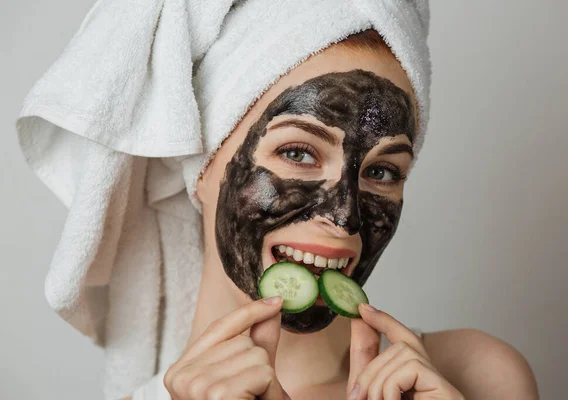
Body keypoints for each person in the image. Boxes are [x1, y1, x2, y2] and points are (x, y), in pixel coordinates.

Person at [16, 1, 539, 399]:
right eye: (298, 152)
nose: (345, 217)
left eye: (382, 171)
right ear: (202, 164)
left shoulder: (476, 376)